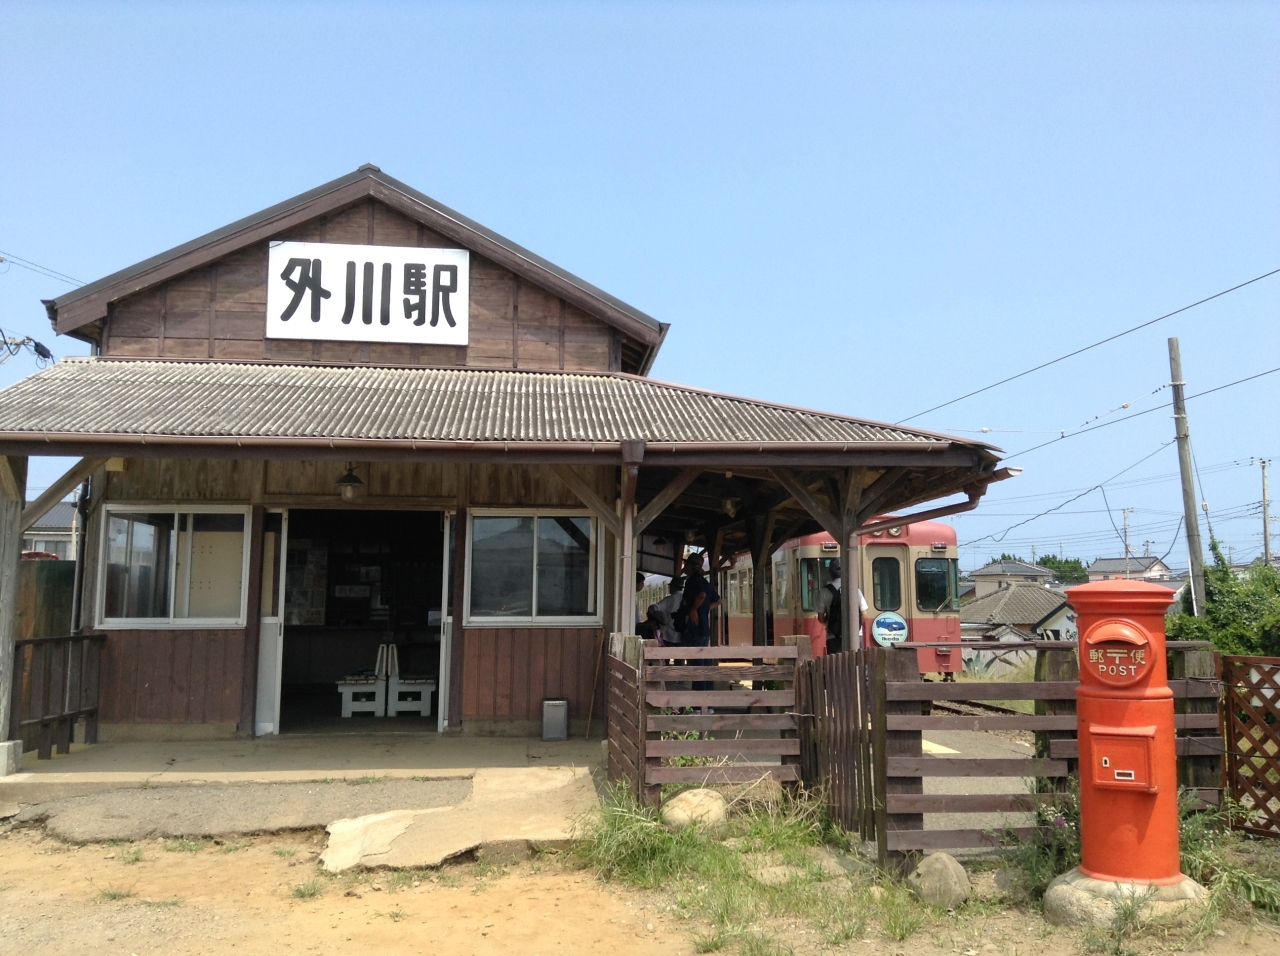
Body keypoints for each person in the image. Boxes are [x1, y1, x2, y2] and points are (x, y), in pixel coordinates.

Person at [678, 553, 720, 692]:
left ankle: (698, 703)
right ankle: (708, 702)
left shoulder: (693, 581)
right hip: (704, 629)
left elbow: (701, 595)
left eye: (686, 565)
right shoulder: (704, 581)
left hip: (695, 628)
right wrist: (703, 609)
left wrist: (694, 610)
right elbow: (718, 601)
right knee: (705, 664)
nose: (684, 567)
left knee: (697, 665)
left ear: (691, 566)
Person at [816, 560, 867, 656]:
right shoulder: (855, 590)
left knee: (835, 666)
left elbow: (820, 618)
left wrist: (831, 624)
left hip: (833, 637)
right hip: (855, 636)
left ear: (830, 573)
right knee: (856, 664)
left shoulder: (824, 592)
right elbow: (864, 614)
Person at [645, 575, 685, 645]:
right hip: (683, 635)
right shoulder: (686, 598)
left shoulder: (669, 599)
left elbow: (654, 608)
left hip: (669, 635)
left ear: (673, 587)